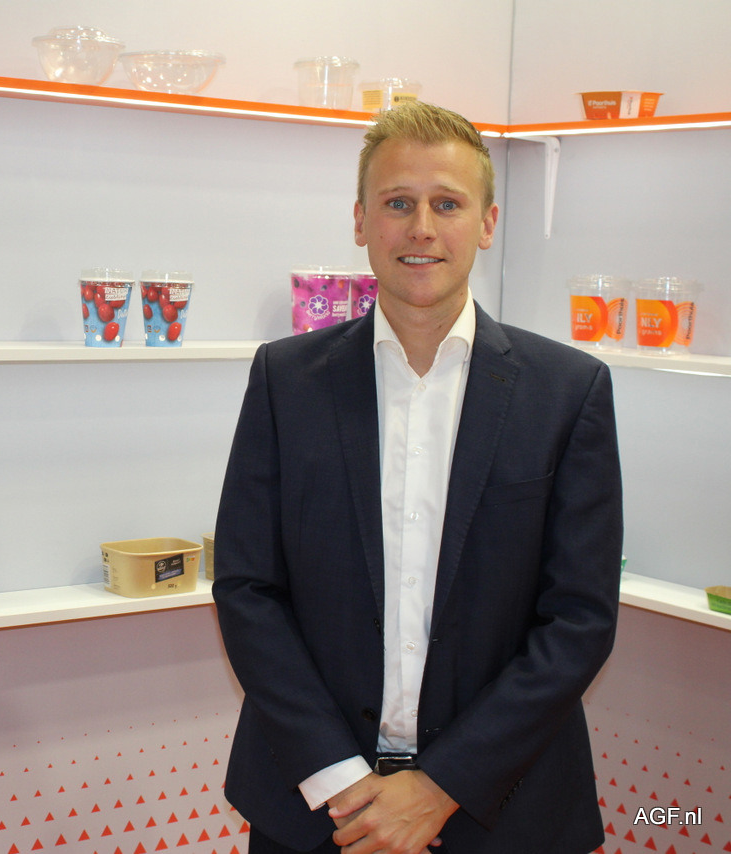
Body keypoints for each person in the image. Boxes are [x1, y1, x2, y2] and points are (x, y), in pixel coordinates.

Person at [212, 101, 623, 854]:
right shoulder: (286, 380)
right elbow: (247, 588)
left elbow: (579, 620)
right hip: (315, 808)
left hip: (503, 808)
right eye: (398, 203)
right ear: (361, 220)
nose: (422, 228)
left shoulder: (569, 391)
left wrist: (440, 788)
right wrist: (343, 781)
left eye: (447, 204)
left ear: (487, 223)